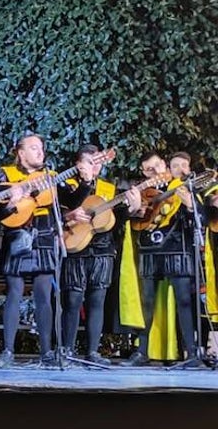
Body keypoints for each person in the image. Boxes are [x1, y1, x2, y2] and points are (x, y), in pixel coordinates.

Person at [59, 145, 142, 364]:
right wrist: (85, 184)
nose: (94, 166)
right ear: (79, 163)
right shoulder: (67, 183)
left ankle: (93, 352)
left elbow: (117, 219)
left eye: (98, 162)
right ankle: (67, 349)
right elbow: (68, 206)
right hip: (76, 246)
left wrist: (132, 209)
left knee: (97, 300)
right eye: (89, 162)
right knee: (73, 300)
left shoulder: (108, 188)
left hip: (103, 250)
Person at [0, 133, 56, 367]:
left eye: (41, 148)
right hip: (17, 236)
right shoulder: (5, 173)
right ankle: (8, 350)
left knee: (44, 295)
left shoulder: (50, 176)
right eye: (33, 148)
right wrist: (14, 190)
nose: (40, 152)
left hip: (43, 236)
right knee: (14, 293)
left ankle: (47, 352)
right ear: (21, 153)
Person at [128, 152, 203, 366]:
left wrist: (190, 205)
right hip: (149, 249)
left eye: (158, 166)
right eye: (149, 170)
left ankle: (192, 353)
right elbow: (133, 221)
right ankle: (141, 351)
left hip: (178, 249)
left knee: (185, 302)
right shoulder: (142, 191)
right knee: (147, 302)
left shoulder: (184, 186)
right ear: (144, 172)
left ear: (165, 164)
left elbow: (201, 218)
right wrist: (134, 209)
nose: (155, 171)